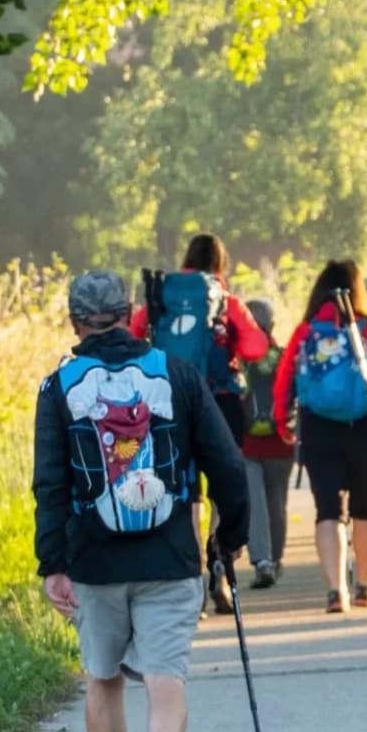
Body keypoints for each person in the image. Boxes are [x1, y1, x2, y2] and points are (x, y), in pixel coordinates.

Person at [34, 270, 249, 732]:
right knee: (165, 676)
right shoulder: (176, 375)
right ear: (132, 315)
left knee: (103, 679)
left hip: (94, 559)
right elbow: (226, 463)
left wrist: (53, 562)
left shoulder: (58, 385)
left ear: (75, 321)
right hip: (170, 553)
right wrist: (230, 536)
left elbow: (50, 484)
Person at [274, 260, 367, 614]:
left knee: (328, 509)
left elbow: (284, 379)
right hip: (364, 426)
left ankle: (335, 590)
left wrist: (283, 423)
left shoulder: (306, 330)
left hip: (316, 427)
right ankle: (364, 586)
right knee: (365, 508)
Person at [132, 233, 268, 613]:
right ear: (220, 264)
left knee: (184, 490)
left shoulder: (160, 296)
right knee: (224, 484)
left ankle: (189, 579)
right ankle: (220, 564)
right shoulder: (224, 300)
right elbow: (256, 348)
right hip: (220, 401)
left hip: (167, 402)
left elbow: (132, 336)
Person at [239, 298, 294, 589]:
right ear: (272, 325)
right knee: (277, 501)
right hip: (282, 440)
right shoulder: (285, 357)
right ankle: (275, 558)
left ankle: (262, 561)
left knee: (254, 502)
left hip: (246, 441)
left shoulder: (236, 358)